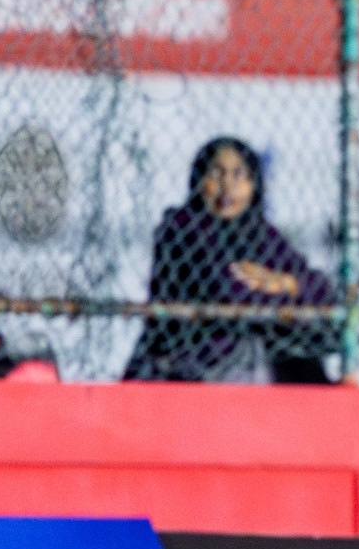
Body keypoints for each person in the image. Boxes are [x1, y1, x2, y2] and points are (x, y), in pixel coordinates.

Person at [124, 137, 336, 383]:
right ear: (199, 180)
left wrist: (286, 283)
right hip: (193, 360)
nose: (228, 186)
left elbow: (321, 289)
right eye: (216, 174)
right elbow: (227, 289)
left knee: (302, 350)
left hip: (253, 355)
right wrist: (282, 295)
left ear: (254, 185)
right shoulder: (182, 227)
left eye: (239, 175)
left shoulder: (260, 233)